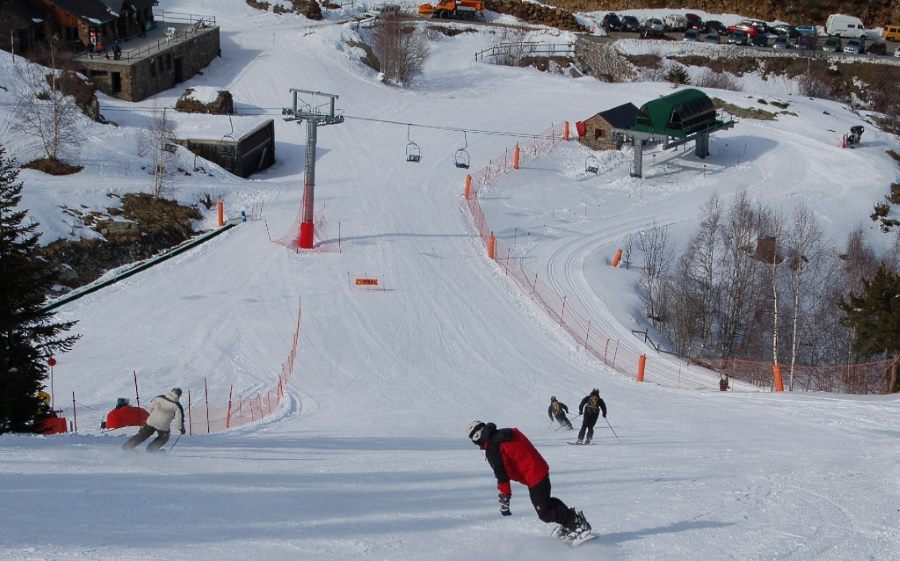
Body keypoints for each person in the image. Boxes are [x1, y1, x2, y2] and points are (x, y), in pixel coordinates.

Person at [467, 420, 592, 543]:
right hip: (538, 469)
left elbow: (501, 475)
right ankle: (572, 522)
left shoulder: (492, 448)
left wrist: (505, 497)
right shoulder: (506, 432)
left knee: (545, 513)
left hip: (534, 476)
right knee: (546, 503)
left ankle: (577, 525)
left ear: (476, 437)